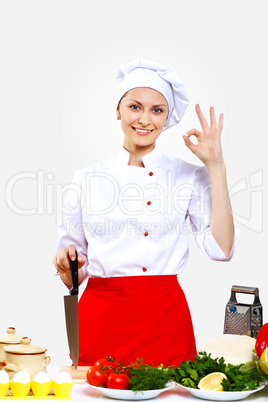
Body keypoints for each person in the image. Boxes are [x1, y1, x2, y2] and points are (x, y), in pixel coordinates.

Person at [53, 57, 235, 367]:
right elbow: (76, 273)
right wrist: (66, 264)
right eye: (135, 106)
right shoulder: (86, 178)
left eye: (157, 110)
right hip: (101, 317)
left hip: (164, 319)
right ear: (118, 110)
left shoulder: (189, 175)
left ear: (167, 118)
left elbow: (222, 249)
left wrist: (215, 165)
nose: (144, 120)